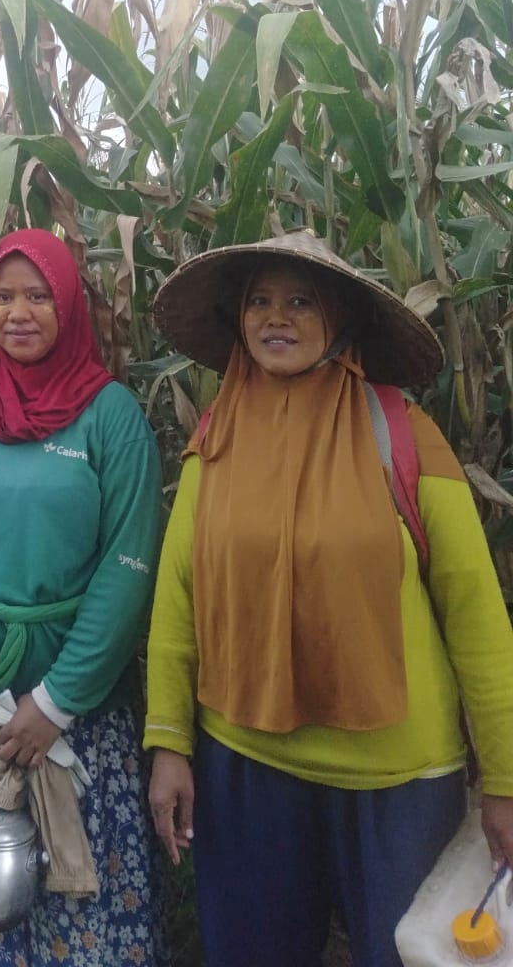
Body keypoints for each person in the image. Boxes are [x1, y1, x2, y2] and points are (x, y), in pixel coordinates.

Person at [145, 229, 513, 967]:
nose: (275, 318)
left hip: (396, 781)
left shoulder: (401, 434)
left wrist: (505, 781)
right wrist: (169, 743)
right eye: (259, 301)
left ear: (340, 319)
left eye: (301, 302)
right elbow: (179, 598)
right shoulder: (217, 438)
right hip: (245, 761)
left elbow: (478, 619)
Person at [0, 228, 169, 967]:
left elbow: (127, 567)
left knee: (88, 902)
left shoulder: (110, 416)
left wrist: (55, 703)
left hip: (79, 716)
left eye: (39, 296)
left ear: (69, 306)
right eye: (5, 297)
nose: (19, 313)